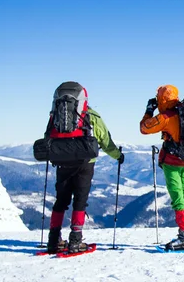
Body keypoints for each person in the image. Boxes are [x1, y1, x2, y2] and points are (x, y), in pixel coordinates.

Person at [45, 81, 124, 254]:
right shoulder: (91, 116)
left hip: (62, 162)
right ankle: (75, 240)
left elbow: (48, 135)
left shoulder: (56, 114)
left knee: (61, 200)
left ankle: (53, 240)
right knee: (80, 200)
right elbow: (105, 141)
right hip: (85, 163)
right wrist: (118, 155)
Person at [139, 84, 184, 251]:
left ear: (162, 99)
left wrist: (149, 111)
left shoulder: (165, 117)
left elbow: (144, 128)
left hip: (172, 162)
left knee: (177, 197)